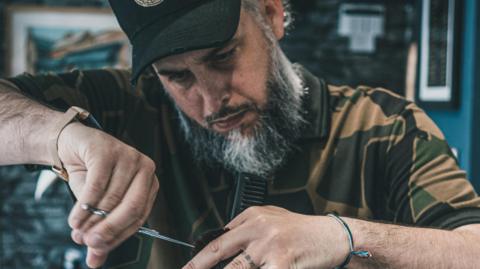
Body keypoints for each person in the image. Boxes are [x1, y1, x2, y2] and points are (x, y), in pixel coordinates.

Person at [1, 0, 480, 268]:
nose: (211, 104)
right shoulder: (128, 107)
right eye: (179, 77)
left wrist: (347, 237)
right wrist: (60, 135)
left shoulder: (385, 126)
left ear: (271, 15)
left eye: (223, 57)